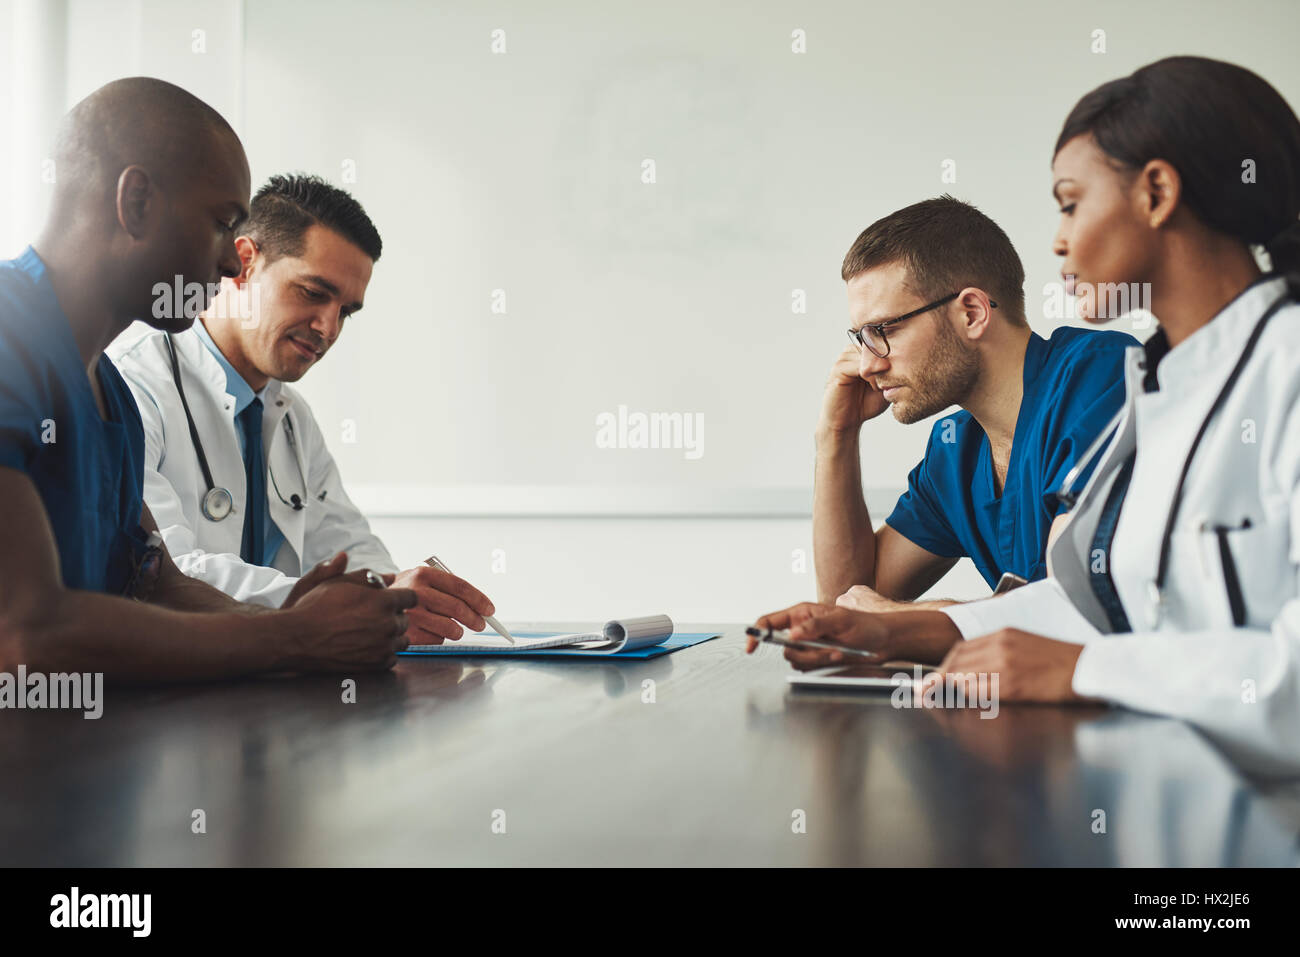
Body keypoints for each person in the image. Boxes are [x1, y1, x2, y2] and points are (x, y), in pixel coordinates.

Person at [751, 56, 1300, 776]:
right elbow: (1112, 611)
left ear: (1158, 192)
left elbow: (1121, 649)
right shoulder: (1166, 383)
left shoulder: (1270, 368)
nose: (1057, 242)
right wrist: (898, 630)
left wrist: (1079, 671)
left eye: (1070, 203)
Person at [0, 77, 416, 681]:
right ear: (136, 202)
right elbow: (25, 631)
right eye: (224, 223)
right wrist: (293, 635)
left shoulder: (106, 387)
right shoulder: (10, 334)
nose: (229, 263)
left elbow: (158, 583)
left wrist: (320, 617)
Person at [109, 174, 495, 644]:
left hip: (277, 684)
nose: (328, 327)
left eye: (346, 311)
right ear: (244, 262)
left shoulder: (292, 418)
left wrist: (398, 597)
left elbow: (349, 549)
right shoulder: (133, 386)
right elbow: (166, 574)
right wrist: (340, 609)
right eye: (313, 293)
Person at [815, 196, 1135, 613]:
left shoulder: (1099, 375)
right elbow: (847, 605)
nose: (867, 365)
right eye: (861, 338)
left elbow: (1075, 604)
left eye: (882, 330)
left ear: (971, 313)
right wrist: (836, 435)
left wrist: (904, 617)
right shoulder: (954, 452)